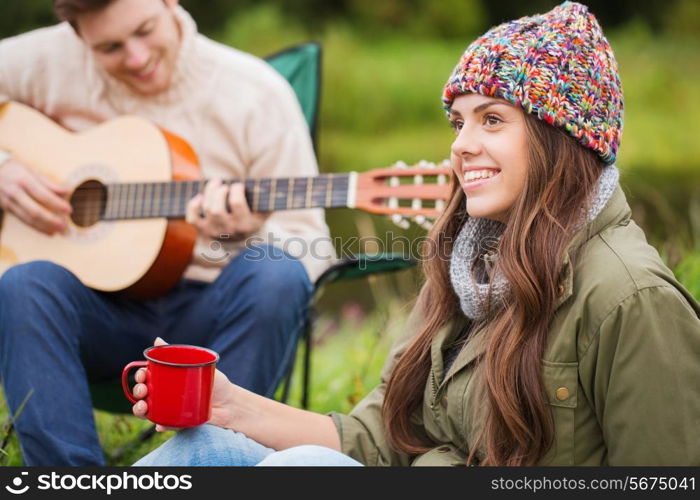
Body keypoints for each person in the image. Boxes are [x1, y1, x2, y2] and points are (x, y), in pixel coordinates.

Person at [132, 1, 700, 467]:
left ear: (563, 140)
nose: (460, 144)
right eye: (459, 122)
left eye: (492, 119)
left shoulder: (630, 297)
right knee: (202, 447)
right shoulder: (469, 265)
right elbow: (377, 440)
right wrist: (228, 405)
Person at [0, 0, 335, 466]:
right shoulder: (42, 61)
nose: (136, 58)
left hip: (213, 323)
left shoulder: (256, 92)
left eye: (145, 30)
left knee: (276, 272)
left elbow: (311, 246)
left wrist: (246, 232)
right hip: (97, 314)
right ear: (76, 36)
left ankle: (213, 462)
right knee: (22, 285)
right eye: (111, 47)